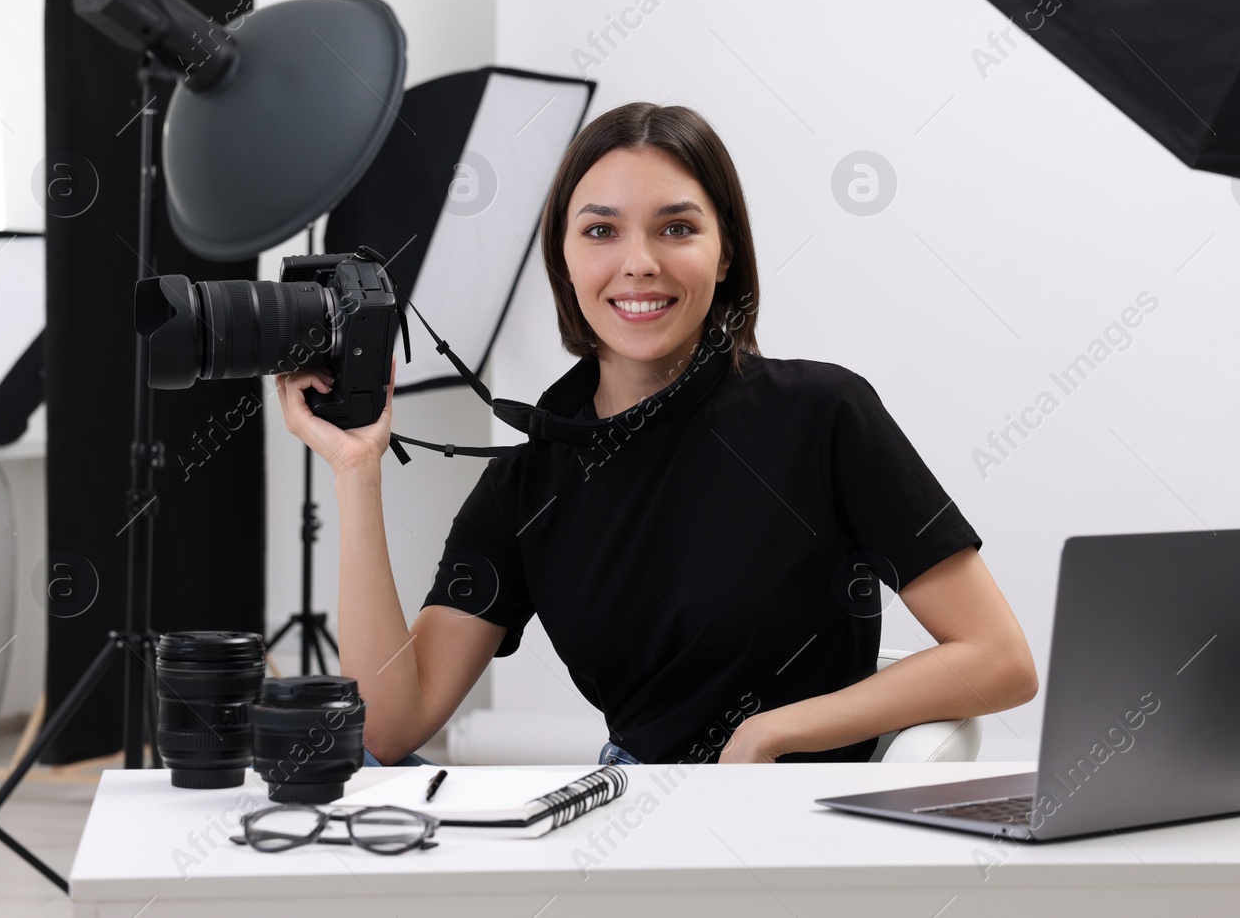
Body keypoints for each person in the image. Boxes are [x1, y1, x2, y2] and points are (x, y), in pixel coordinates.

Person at [277, 102, 1037, 767]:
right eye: (601, 230)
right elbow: (390, 724)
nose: (638, 264)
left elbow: (999, 658)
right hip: (636, 816)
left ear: (725, 250)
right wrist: (357, 468)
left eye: (676, 227)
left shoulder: (825, 414)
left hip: (798, 820)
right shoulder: (528, 481)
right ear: (565, 258)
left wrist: (774, 732)